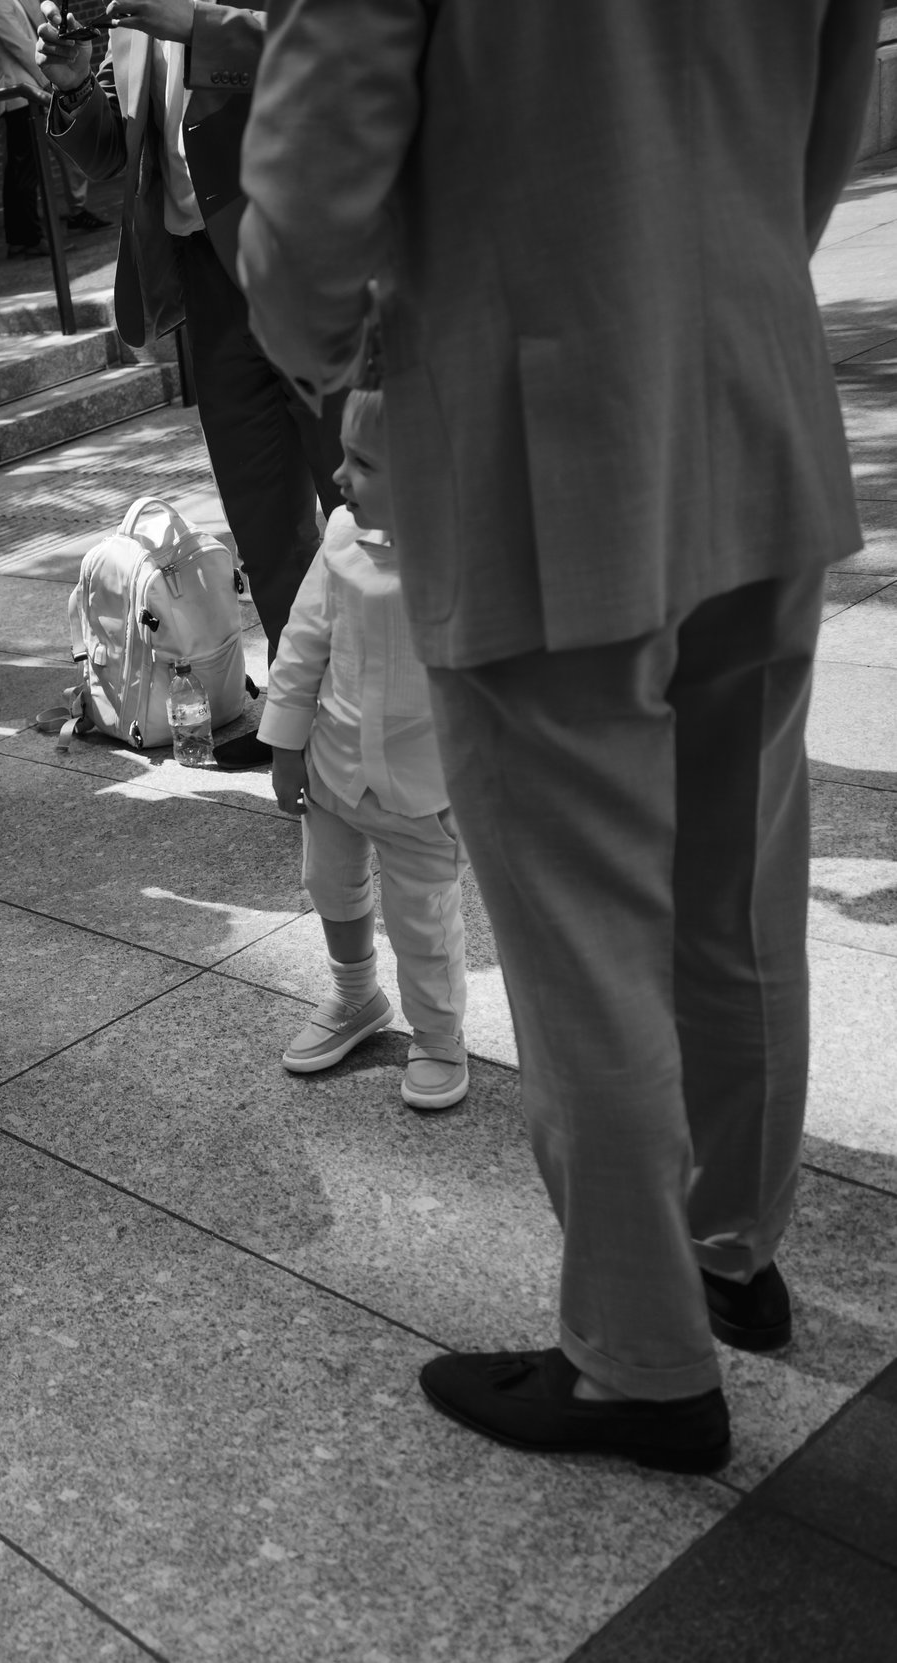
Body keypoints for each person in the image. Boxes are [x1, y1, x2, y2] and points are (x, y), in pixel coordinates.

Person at [237, 0, 880, 1473]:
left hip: (537, 418)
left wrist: (355, 351)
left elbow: (308, 194)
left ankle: (639, 1353)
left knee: (587, 931)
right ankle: (729, 1249)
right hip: (751, 382)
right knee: (740, 880)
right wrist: (729, 268)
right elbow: (838, 99)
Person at [35, 0, 339, 670]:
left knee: (364, 499)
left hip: (308, 256)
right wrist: (77, 85)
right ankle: (308, 711)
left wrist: (200, 28)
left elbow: (337, 44)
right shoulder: (132, 15)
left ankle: (406, 716)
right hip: (206, 278)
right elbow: (120, 151)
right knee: (265, 526)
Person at [260, 378, 467, 1112]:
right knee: (330, 885)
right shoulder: (340, 542)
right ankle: (356, 996)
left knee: (425, 918)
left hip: (423, 787)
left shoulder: (465, 564)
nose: (340, 475)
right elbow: (301, 644)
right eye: (343, 455)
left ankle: (439, 1037)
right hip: (336, 772)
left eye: (364, 463)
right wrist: (286, 748)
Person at [0, 0, 101, 255]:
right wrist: (51, 82)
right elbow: (22, 47)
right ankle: (30, 239)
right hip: (22, 97)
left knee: (20, 171)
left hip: (20, 97)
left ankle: (21, 238)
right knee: (26, 173)